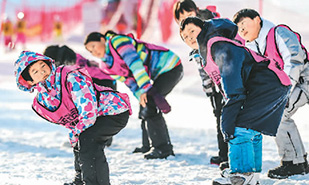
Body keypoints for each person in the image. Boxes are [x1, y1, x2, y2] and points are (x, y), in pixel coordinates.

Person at [180, 17, 290, 184]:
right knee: (250, 128)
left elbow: (231, 82)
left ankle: (241, 174)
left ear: (202, 29)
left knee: (239, 127)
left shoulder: (218, 45)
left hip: (267, 83)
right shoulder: (209, 50)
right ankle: (251, 176)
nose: (190, 38)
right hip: (272, 83)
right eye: (185, 37)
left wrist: (229, 113)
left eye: (192, 32)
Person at [14, 51, 131, 185]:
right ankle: (80, 180)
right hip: (93, 117)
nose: (42, 71)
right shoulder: (41, 101)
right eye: (35, 72)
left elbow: (88, 108)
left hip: (113, 111)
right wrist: (76, 134)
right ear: (30, 81)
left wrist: (77, 132)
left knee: (88, 139)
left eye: (42, 66)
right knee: (80, 141)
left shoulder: (70, 75)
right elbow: (67, 117)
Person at [233, 8, 309, 179]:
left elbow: (294, 60)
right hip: (293, 85)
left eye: (244, 23)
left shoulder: (278, 32)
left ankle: (296, 162)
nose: (242, 30)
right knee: (279, 114)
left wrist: (286, 91)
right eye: (239, 28)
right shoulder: (252, 47)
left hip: (304, 79)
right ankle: (295, 162)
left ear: (257, 19)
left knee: (280, 112)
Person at [84, 31, 183, 159]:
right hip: (155, 74)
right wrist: (141, 95)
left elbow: (135, 64)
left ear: (102, 39)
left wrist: (146, 89)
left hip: (170, 66)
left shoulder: (117, 41)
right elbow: (129, 81)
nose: (94, 52)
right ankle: (147, 146)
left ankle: (163, 148)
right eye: (90, 51)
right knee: (145, 104)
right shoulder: (106, 65)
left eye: (93, 46)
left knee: (151, 102)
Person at [173, 0, 228, 167]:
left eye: (189, 15)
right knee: (219, 116)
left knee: (227, 117)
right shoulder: (193, 34)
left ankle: (229, 155)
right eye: (181, 18)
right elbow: (200, 62)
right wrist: (208, 87)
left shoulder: (208, 26)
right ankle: (224, 153)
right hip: (212, 83)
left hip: (224, 78)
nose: (186, 20)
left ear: (196, 11)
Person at [43, 44, 117, 148]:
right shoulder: (73, 56)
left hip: (101, 81)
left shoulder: (69, 63)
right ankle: (100, 139)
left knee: (92, 110)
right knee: (97, 111)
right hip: (106, 79)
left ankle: (98, 140)